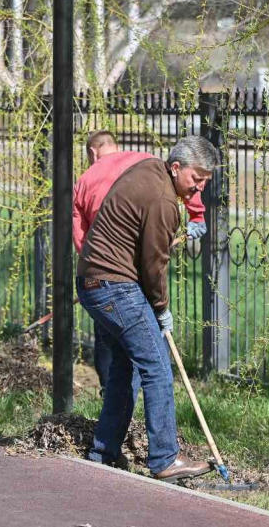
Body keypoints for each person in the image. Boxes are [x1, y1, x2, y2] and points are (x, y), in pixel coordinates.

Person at [76, 135, 219, 482]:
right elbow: (154, 263)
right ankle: (165, 459)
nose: (197, 189)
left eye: (204, 182)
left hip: (94, 281)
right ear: (176, 167)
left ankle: (103, 450)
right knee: (156, 365)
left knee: (126, 366)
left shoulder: (148, 171)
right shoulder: (163, 199)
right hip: (114, 285)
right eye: (195, 179)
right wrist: (160, 307)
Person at [73, 130, 207, 394]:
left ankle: (109, 396)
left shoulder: (86, 179)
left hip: (104, 276)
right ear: (116, 145)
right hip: (132, 275)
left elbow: (82, 239)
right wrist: (197, 217)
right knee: (146, 356)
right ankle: (123, 410)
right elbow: (190, 183)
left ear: (92, 152)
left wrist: (98, 269)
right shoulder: (143, 161)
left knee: (115, 344)